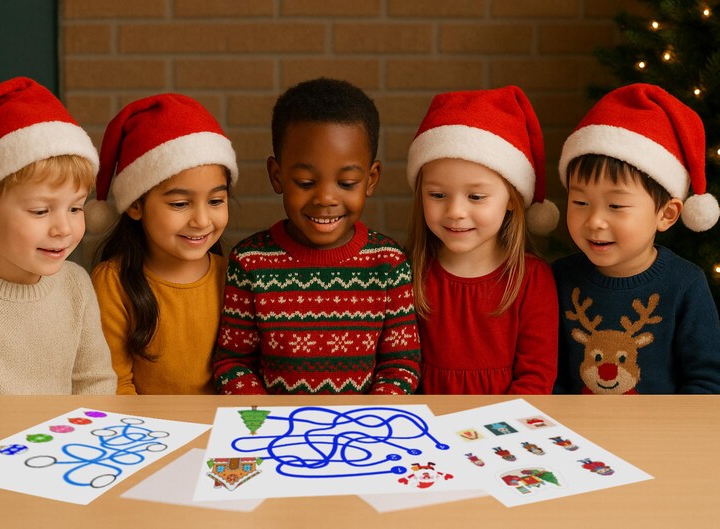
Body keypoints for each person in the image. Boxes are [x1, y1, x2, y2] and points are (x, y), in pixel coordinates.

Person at [212, 77, 420, 395]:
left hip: (362, 432)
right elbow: (233, 363)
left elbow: (400, 366)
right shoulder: (250, 262)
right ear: (277, 176)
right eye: (306, 182)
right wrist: (265, 420)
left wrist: (372, 417)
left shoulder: (388, 263)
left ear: (371, 179)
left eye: (347, 183)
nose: (325, 198)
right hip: (277, 435)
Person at [0, 77, 116, 394]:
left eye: (75, 208)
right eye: (41, 211)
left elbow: (95, 382)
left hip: (62, 443)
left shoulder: (76, 284)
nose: (64, 229)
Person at [554, 83, 720, 394]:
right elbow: (551, 376)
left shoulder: (686, 285)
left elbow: (707, 383)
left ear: (666, 215)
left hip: (658, 437)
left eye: (616, 206)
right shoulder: (559, 278)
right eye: (580, 203)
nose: (594, 221)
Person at [405, 86, 560, 394]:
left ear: (512, 200)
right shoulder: (411, 273)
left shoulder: (531, 280)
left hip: (505, 431)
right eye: (437, 195)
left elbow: (536, 379)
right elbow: (402, 368)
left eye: (476, 196)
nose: (455, 211)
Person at [86, 94, 237, 395]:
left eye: (216, 201)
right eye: (180, 203)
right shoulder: (113, 283)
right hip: (148, 435)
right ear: (135, 206)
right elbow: (116, 384)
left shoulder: (236, 275)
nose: (202, 219)